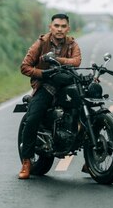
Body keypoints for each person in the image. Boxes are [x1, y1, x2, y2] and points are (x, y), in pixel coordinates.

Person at [18, 13, 82, 179]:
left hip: (67, 84)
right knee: (32, 118)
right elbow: (25, 67)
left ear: (68, 28)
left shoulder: (72, 43)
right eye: (56, 26)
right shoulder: (40, 43)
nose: (60, 29)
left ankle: (90, 161)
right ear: (50, 27)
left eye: (63, 26)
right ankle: (26, 161)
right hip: (46, 85)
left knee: (83, 109)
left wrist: (57, 60)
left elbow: (76, 61)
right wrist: (43, 74)